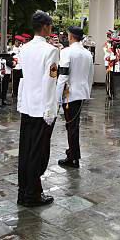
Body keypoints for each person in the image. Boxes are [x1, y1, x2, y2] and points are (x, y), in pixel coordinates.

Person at [17, 11, 59, 207]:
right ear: (45, 27)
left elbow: (23, 79)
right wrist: (50, 111)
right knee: (39, 154)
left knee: (26, 151)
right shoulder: (51, 51)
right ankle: (32, 194)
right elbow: (50, 82)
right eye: (50, 26)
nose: (51, 29)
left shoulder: (24, 48)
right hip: (42, 109)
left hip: (27, 106)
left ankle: (24, 191)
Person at [56, 26, 94, 169]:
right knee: (72, 125)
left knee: (71, 126)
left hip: (69, 94)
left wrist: (57, 98)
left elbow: (62, 76)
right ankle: (72, 154)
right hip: (81, 93)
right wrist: (87, 92)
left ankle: (73, 157)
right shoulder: (87, 54)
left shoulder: (66, 52)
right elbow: (91, 76)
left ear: (71, 36)